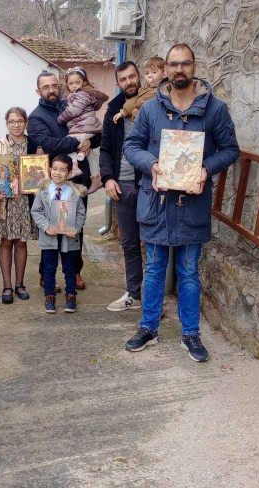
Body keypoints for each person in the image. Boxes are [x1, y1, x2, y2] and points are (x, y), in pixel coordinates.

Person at [122, 44, 239, 362]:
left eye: (185, 63)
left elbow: (230, 149)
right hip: (156, 203)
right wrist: (151, 164)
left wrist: (206, 169)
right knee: (154, 269)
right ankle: (148, 328)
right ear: (167, 69)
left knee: (188, 272)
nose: (179, 69)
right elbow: (131, 146)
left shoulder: (215, 110)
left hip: (192, 205)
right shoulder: (150, 110)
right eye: (174, 64)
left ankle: (190, 333)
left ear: (194, 67)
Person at [28, 71, 100, 291]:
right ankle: (46, 274)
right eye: (46, 87)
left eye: (54, 86)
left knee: (76, 226)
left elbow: (95, 130)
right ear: (38, 91)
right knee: (51, 227)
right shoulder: (36, 118)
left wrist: (90, 141)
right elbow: (49, 145)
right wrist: (77, 142)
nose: (51, 90)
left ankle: (75, 271)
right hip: (54, 180)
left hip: (77, 179)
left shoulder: (72, 103)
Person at [100, 61, 145, 312]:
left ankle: (153, 296)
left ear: (139, 77)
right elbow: (106, 149)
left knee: (154, 243)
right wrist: (108, 178)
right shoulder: (113, 110)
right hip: (123, 185)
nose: (129, 82)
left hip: (149, 184)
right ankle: (134, 294)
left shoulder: (153, 103)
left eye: (132, 77)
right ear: (118, 83)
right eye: (124, 79)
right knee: (130, 243)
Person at [0, 107, 40, 304]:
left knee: (21, 242)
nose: (16, 125)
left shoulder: (34, 146)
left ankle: (20, 284)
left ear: (26, 123)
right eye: (12, 121)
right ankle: (7, 286)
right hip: (5, 202)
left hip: (25, 202)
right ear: (7, 124)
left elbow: (40, 173)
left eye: (20, 121)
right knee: (6, 241)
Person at [30, 154, 87, 314]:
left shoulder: (75, 192)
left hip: (69, 237)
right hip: (49, 236)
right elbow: (36, 211)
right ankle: (49, 296)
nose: (58, 173)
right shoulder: (43, 191)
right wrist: (46, 226)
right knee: (49, 268)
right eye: (55, 169)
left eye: (62, 170)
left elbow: (81, 213)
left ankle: (71, 296)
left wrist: (76, 228)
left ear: (69, 173)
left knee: (70, 268)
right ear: (50, 170)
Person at [56, 67, 109, 194]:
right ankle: (96, 178)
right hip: (86, 128)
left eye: (77, 82)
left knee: (68, 143)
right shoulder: (76, 96)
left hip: (82, 129)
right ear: (67, 85)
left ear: (84, 82)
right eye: (71, 83)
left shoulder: (82, 95)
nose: (74, 86)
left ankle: (74, 166)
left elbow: (73, 111)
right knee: (89, 153)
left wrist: (60, 119)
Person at [113, 56, 165, 124]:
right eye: (147, 73)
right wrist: (124, 112)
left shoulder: (162, 90)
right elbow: (136, 100)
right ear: (118, 85)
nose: (149, 76)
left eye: (154, 72)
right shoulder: (145, 89)